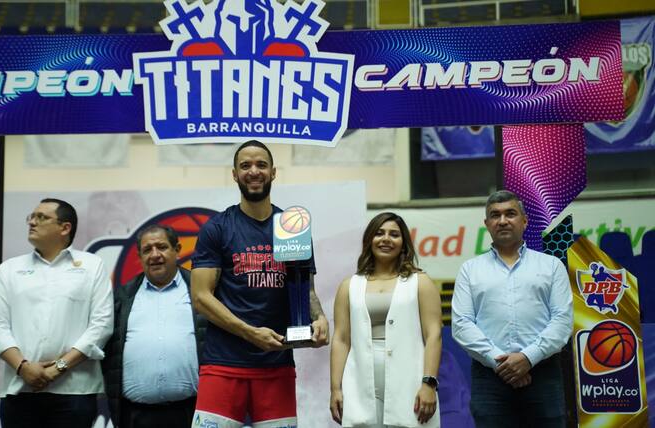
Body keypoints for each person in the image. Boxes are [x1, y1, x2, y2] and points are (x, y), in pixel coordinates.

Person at [190, 140, 330, 427]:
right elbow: (201, 298)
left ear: (273, 172)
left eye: (261, 165)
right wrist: (250, 333)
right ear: (234, 174)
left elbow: (306, 290)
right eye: (245, 165)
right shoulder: (217, 228)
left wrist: (319, 318)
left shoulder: (292, 228)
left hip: (276, 365)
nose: (254, 171)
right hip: (223, 365)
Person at [0, 198, 114, 428]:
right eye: (31, 217)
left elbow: (101, 324)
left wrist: (58, 368)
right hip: (20, 389)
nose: (32, 222)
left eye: (41, 217)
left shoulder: (92, 265)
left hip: (75, 391)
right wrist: (23, 367)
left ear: (65, 228)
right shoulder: (9, 269)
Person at [451, 190, 573, 428]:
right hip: (490, 378)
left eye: (510, 214)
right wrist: (501, 363)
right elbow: (462, 324)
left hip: (543, 373)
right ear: (487, 224)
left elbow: (562, 321)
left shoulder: (551, 266)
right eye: (495, 215)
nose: (503, 220)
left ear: (524, 221)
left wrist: (528, 358)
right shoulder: (470, 269)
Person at [330, 212, 442, 427]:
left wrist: (429, 383)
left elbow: (434, 335)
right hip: (358, 386)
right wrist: (335, 388)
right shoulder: (349, 286)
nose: (386, 239)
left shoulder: (420, 282)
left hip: (410, 384)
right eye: (379, 233)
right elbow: (341, 339)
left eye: (394, 234)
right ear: (369, 239)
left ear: (404, 243)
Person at [102, 224, 207, 428]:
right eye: (147, 249)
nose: (155, 255)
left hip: (192, 413)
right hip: (135, 416)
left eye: (162, 247)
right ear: (140, 257)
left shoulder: (201, 292)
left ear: (177, 250)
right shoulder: (121, 298)